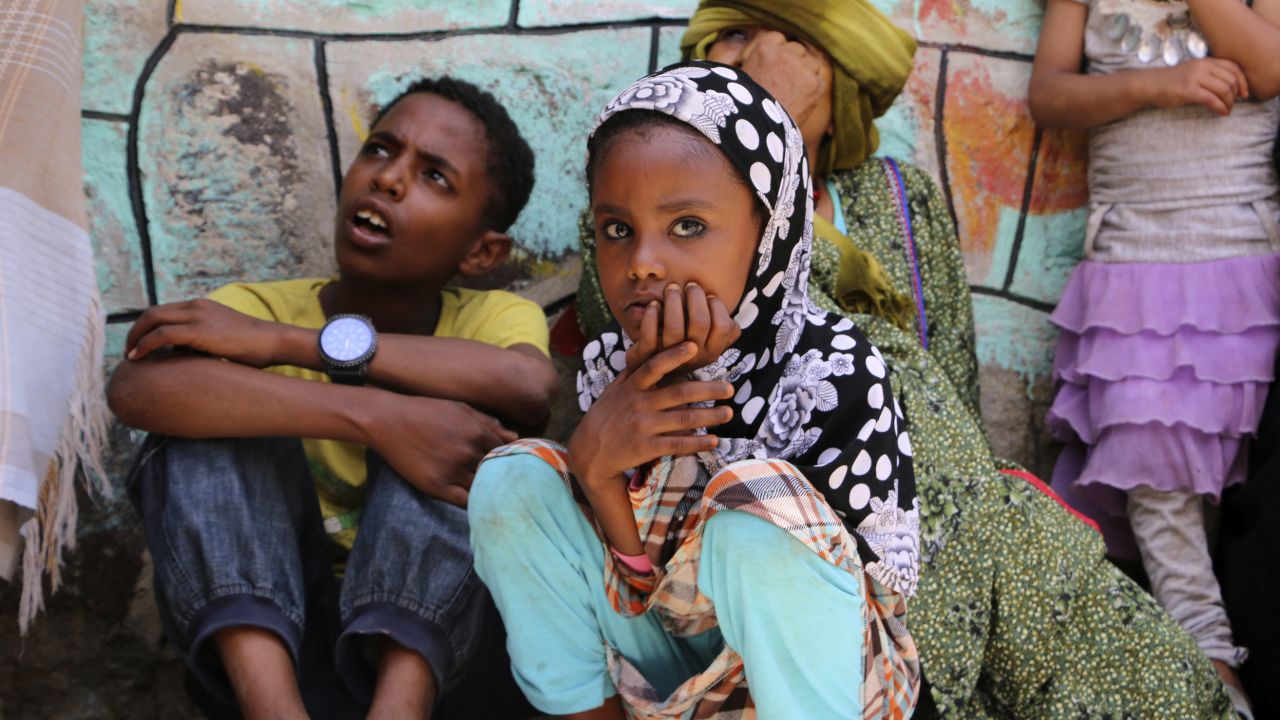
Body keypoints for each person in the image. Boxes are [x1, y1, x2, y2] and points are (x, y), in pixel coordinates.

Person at [572, 1, 1233, 717]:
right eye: (734, 35)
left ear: (841, 86)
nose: (759, 60)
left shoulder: (900, 195)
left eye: (792, 45)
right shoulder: (637, 222)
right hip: (751, 523)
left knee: (1049, 581)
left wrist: (777, 154)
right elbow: (691, 318)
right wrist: (766, 139)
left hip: (923, 482)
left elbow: (950, 372)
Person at [470, 63, 922, 719]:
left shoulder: (835, 371)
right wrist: (597, 475)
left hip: (819, 688)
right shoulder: (611, 367)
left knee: (754, 509)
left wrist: (706, 403)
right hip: (673, 665)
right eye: (616, 230)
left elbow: (852, 602)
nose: (643, 261)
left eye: (686, 225)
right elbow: (645, 587)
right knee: (516, 483)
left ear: (768, 231)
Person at [107, 77, 558, 720]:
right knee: (195, 433)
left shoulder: (490, 318)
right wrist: (379, 415)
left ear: (483, 251)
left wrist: (294, 345)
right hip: (277, 653)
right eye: (380, 150)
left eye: (435, 177)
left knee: (477, 436)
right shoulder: (254, 308)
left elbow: (529, 387)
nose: (389, 180)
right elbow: (139, 388)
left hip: (440, 659)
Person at [1031, 0, 1280, 713]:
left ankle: (1234, 657)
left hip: (1240, 248)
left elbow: (1270, 67)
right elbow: (1050, 95)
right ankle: (1211, 672)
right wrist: (1159, 85)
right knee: (1150, 457)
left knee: (1231, 475)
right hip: (1132, 254)